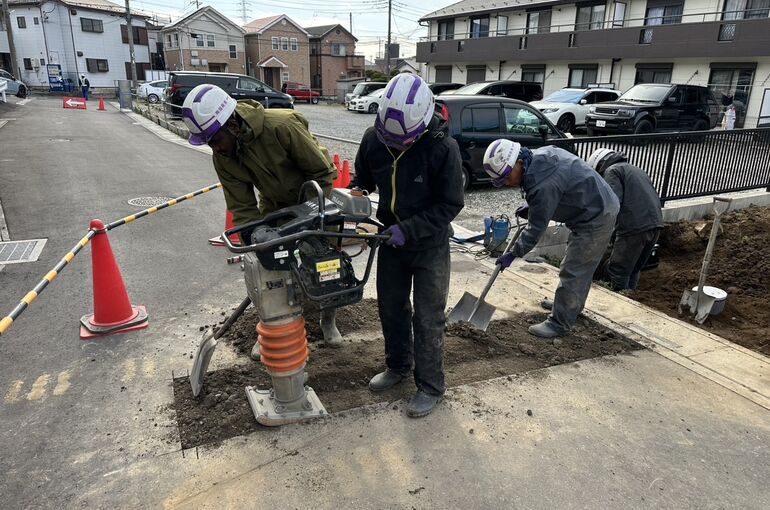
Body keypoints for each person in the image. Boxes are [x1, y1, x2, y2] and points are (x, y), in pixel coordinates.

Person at [180, 83, 343, 356]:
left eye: (216, 140)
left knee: (325, 264)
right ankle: (274, 324)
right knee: (269, 267)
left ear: (232, 125)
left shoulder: (282, 126)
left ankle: (328, 319)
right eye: (208, 143)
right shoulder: (223, 157)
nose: (214, 148)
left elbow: (322, 173)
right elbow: (241, 206)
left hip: (312, 197)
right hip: (274, 206)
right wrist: (257, 240)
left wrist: (305, 220)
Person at [351, 74, 464, 418]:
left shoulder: (443, 148)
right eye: (392, 140)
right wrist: (356, 199)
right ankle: (398, 365)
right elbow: (363, 180)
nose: (397, 147)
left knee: (428, 317)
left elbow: (450, 205)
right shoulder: (374, 139)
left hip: (429, 246)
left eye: (404, 142)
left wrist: (410, 229)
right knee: (391, 307)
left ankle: (430, 386)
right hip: (390, 241)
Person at [485, 140, 619, 338]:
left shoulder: (541, 184)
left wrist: (514, 253)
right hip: (592, 206)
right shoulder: (539, 157)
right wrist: (535, 206)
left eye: (506, 177)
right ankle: (568, 305)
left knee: (574, 270)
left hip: (597, 215)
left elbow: (535, 229)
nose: (506, 183)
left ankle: (559, 323)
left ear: (519, 163)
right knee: (575, 267)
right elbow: (558, 188)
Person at [587, 149, 663, 292]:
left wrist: (605, 230)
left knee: (618, 271)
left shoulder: (612, 171)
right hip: (655, 224)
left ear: (600, 164)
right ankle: (631, 298)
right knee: (634, 268)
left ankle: (618, 304)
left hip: (633, 227)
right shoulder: (636, 170)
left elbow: (613, 203)